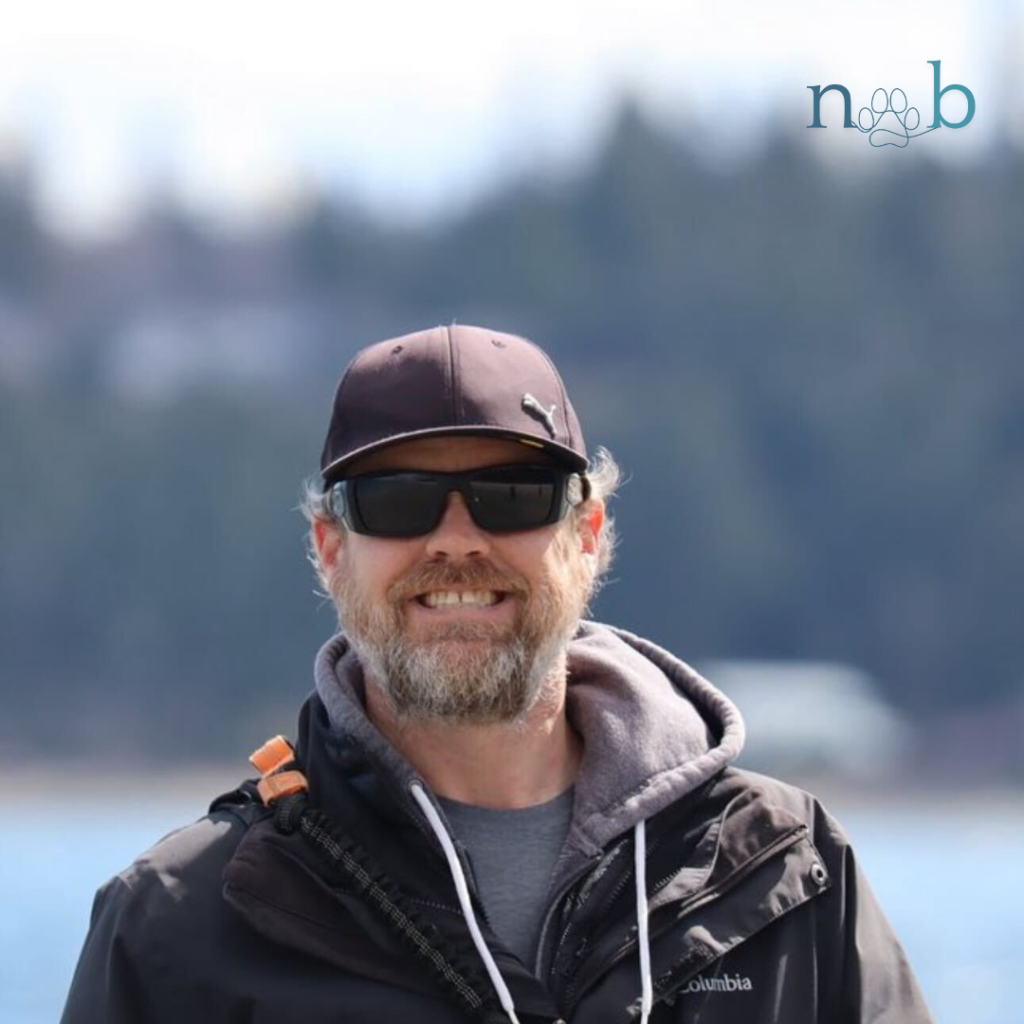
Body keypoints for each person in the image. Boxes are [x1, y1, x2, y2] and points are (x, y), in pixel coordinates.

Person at [61, 324, 934, 1024]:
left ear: (587, 534)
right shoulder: (185, 922)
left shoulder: (785, 873)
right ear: (330, 549)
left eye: (511, 495)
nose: (455, 539)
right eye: (398, 500)